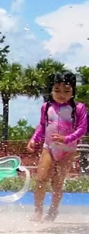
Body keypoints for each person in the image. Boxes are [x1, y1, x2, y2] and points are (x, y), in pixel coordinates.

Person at [27, 71, 87, 222]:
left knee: (57, 182)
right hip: (49, 147)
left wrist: (67, 139)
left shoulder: (78, 108)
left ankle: (53, 210)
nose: (61, 95)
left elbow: (82, 129)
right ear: (51, 90)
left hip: (68, 150)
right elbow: (42, 126)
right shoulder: (46, 107)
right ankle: (38, 210)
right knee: (41, 178)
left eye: (66, 91)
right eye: (57, 90)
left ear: (73, 91)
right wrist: (34, 139)